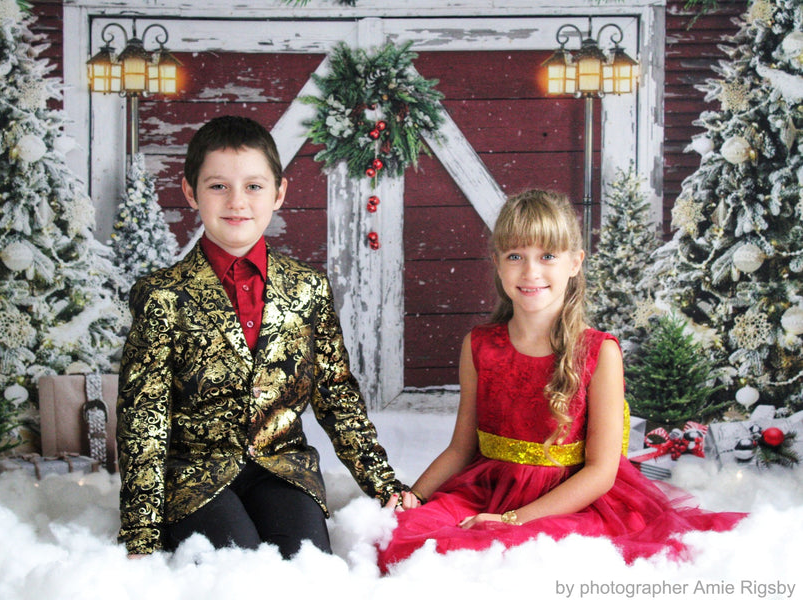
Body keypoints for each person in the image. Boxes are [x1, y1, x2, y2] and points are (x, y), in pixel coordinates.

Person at [378, 190, 745, 571]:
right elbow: (460, 448)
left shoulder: (599, 352)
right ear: (498, 264)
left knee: (519, 559)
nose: (531, 272)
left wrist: (512, 520)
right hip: (487, 488)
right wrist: (414, 495)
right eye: (515, 256)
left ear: (574, 263)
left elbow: (602, 472)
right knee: (406, 539)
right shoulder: (480, 346)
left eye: (547, 256)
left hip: (572, 500)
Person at [117, 115, 406, 559]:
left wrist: (383, 483)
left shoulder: (307, 288)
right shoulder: (162, 296)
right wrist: (140, 531)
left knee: (307, 566)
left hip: (282, 469)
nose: (237, 201)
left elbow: (336, 395)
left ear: (279, 192)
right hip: (196, 475)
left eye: (253, 186)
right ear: (191, 191)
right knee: (241, 569)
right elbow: (145, 419)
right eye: (218, 186)